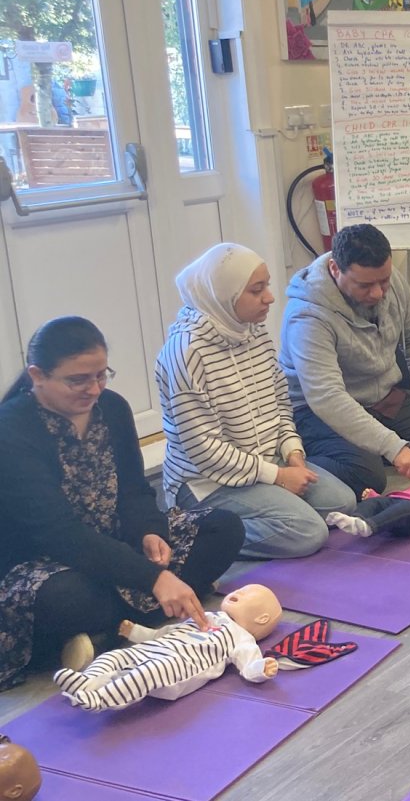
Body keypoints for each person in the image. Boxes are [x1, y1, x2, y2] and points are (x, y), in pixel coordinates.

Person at [0, 317, 243, 692]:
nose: (93, 388)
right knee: (66, 599)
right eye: (78, 380)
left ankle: (100, 633)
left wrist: (149, 531)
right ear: (37, 375)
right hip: (48, 562)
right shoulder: (12, 428)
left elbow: (134, 490)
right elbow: (59, 534)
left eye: (101, 375)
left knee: (223, 527)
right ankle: (126, 616)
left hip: (115, 547)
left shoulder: (111, 407)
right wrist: (154, 578)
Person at [157, 243, 355, 559]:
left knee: (342, 502)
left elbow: (279, 401)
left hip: (263, 462)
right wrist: (277, 477)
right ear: (226, 295)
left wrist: (293, 452)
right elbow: (204, 449)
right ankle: (195, 532)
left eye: (267, 286)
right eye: (256, 290)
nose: (270, 297)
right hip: (207, 483)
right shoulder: (186, 353)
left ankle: (269, 513)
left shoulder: (253, 332)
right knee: (308, 532)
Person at [279, 224, 410, 499]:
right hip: (318, 411)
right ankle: (295, 465)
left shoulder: (388, 278)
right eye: (365, 285)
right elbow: (327, 397)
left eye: (383, 281)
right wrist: (394, 447)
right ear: (335, 269)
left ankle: (367, 446)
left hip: (379, 397)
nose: (377, 293)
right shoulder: (307, 316)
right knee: (369, 475)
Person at [54, 583, 281, 712]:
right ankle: (88, 680)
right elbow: (165, 633)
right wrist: (135, 633)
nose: (239, 591)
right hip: (157, 647)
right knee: (115, 656)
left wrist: (261, 668)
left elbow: (248, 663)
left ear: (261, 618)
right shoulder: (208, 615)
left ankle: (102, 698)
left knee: (147, 673)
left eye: (248, 594)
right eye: (241, 589)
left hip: (180, 666)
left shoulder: (241, 637)